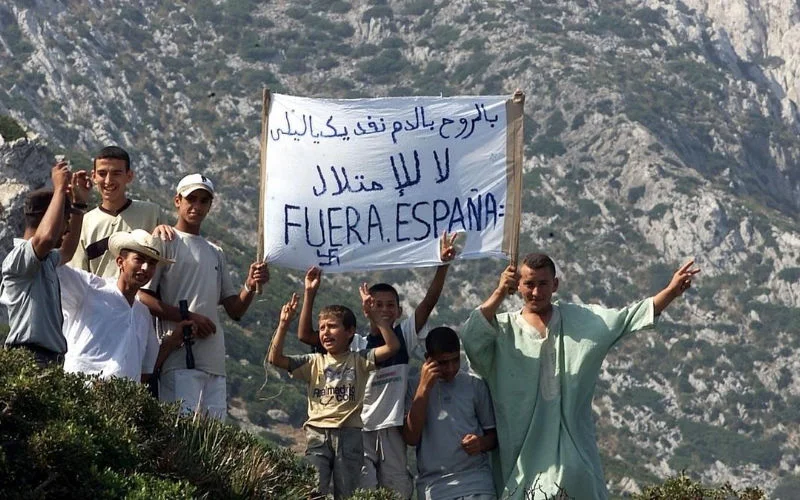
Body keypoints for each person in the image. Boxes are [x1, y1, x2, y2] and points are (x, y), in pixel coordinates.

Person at [459, 253, 700, 500]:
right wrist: (499, 292)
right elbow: (471, 338)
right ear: (518, 285)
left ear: (555, 284)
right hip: (520, 455)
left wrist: (671, 291)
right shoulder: (503, 332)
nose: (535, 292)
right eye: (529, 284)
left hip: (572, 451)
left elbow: (627, 318)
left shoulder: (580, 320)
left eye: (543, 284)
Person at [297, 232, 459, 498]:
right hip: (359, 431)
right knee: (362, 491)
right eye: (377, 305)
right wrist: (310, 293)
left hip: (392, 430)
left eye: (389, 306)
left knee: (397, 490)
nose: (383, 309)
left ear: (398, 311)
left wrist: (443, 265)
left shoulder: (404, 337)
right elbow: (306, 336)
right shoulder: (355, 344)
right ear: (365, 309)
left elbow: (428, 302)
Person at [138, 173, 269, 419]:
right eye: (191, 199)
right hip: (178, 358)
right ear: (178, 200)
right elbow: (144, 297)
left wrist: (250, 285)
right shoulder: (164, 241)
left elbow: (235, 309)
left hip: (214, 362)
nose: (196, 206)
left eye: (203, 201)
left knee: (212, 440)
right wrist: (188, 317)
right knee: (181, 433)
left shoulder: (215, 252)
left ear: (210, 205)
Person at [268, 288, 400, 500]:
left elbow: (392, 346)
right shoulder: (313, 362)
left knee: (347, 494)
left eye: (332, 326)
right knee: (312, 490)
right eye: (321, 328)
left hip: (349, 435)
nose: (325, 333)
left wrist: (375, 316)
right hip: (317, 434)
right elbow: (275, 359)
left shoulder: (359, 360)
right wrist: (283, 325)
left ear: (349, 332)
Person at [57, 229, 190, 381]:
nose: (146, 268)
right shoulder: (90, 288)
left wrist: (171, 341)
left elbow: (146, 368)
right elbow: (52, 265)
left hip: (120, 402)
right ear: (120, 262)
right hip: (80, 395)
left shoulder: (143, 314)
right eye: (139, 259)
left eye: (152, 263)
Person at [1, 161, 91, 366]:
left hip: (50, 359)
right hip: (30, 358)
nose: (67, 228)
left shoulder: (47, 260)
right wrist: (60, 189)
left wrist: (78, 206)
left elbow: (67, 251)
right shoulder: (20, 258)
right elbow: (46, 239)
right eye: (64, 220)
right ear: (48, 220)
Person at [403, 326, 497, 500]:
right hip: (435, 487)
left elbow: (493, 436)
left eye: (455, 360)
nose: (450, 368)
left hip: (476, 482)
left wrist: (480, 443)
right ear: (427, 359)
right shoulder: (413, 387)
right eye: (443, 363)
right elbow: (410, 437)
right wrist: (424, 388)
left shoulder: (474, 385)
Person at [69, 146, 162, 278]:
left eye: (116, 173)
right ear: (94, 177)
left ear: (129, 176)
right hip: (99, 298)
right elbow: (78, 275)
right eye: (102, 174)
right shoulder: (84, 222)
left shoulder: (152, 213)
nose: (108, 181)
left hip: (142, 298)